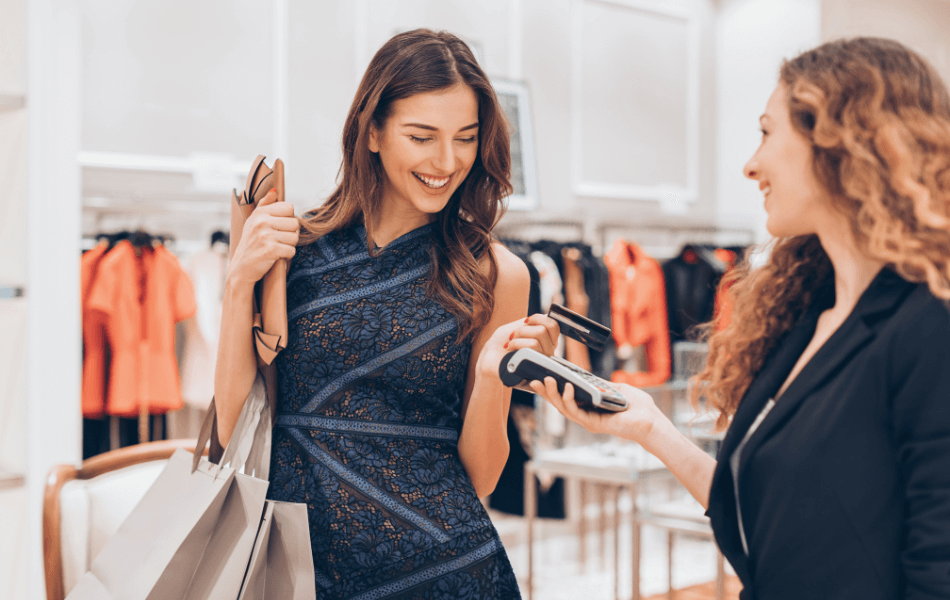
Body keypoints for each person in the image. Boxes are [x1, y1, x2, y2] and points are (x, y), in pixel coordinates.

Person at [530, 37, 950, 599]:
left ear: (840, 142)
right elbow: (760, 524)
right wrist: (651, 428)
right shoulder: (809, 316)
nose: (752, 165)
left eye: (767, 133)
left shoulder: (929, 326)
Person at [214, 29, 557, 599]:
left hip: (443, 571)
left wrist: (494, 376)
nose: (446, 161)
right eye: (422, 137)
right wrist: (236, 285)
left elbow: (482, 476)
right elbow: (237, 429)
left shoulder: (498, 273)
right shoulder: (293, 248)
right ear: (372, 131)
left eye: (466, 139)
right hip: (300, 570)